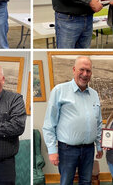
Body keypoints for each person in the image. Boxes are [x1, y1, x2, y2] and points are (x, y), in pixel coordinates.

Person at [42, 56, 103, 185]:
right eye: (82, 70)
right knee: (66, 182)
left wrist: (99, 145)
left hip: (88, 149)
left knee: (86, 182)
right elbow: (49, 123)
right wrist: (52, 150)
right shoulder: (59, 91)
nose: (85, 74)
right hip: (67, 150)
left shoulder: (94, 94)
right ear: (74, 70)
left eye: (88, 71)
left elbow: (98, 122)